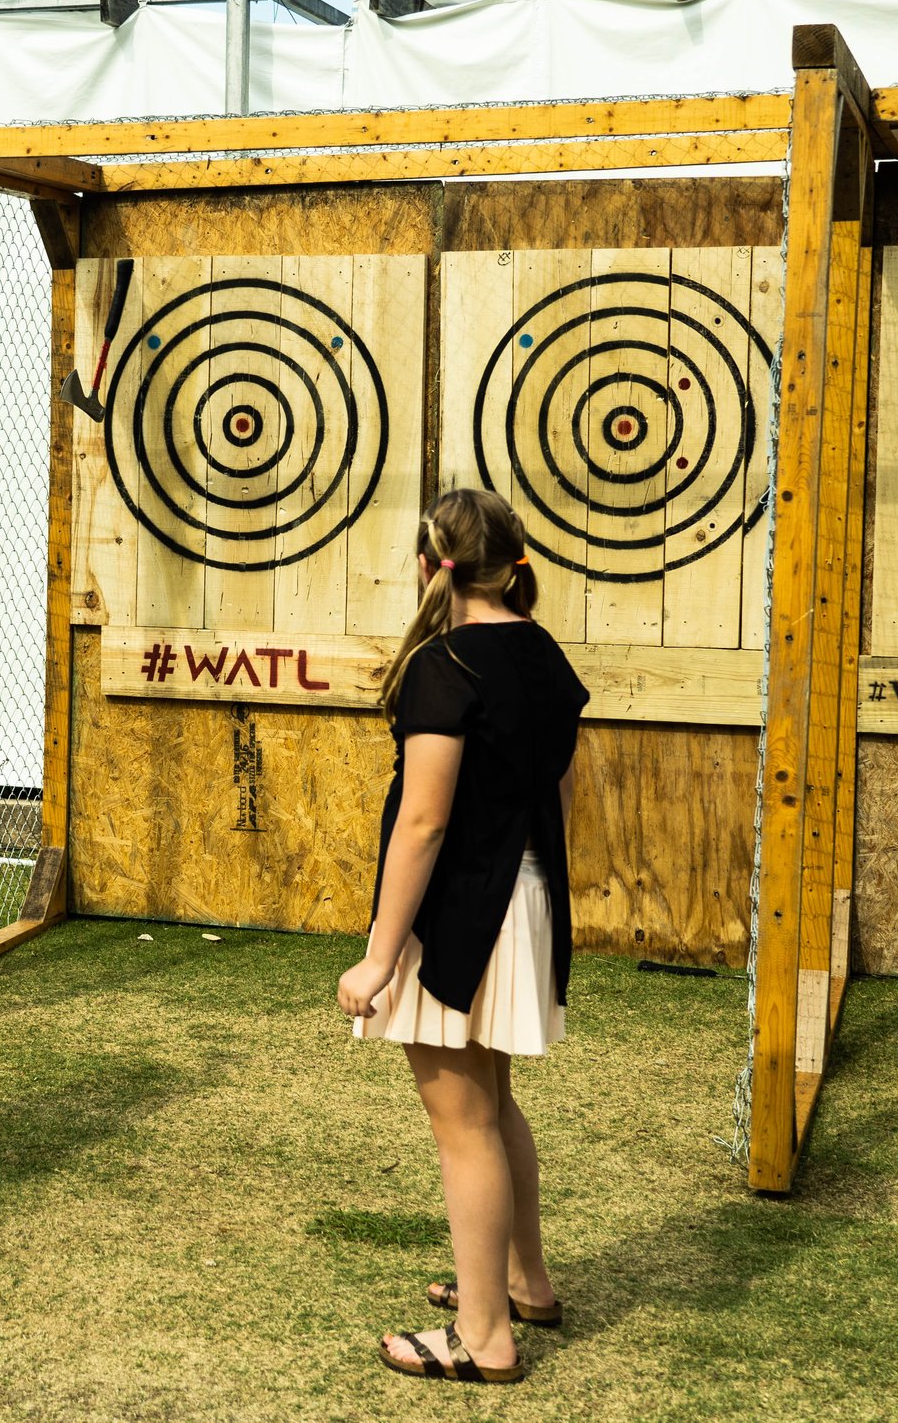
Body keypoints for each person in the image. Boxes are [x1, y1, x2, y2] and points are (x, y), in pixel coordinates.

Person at [336, 487, 588, 1386]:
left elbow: (423, 823)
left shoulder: (446, 665)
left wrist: (378, 954)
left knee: (465, 1125)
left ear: (430, 564)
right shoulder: (543, 653)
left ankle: (483, 1337)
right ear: (510, 562)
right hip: (523, 902)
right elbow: (560, 796)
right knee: (495, 1105)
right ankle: (526, 1282)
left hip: (461, 917)